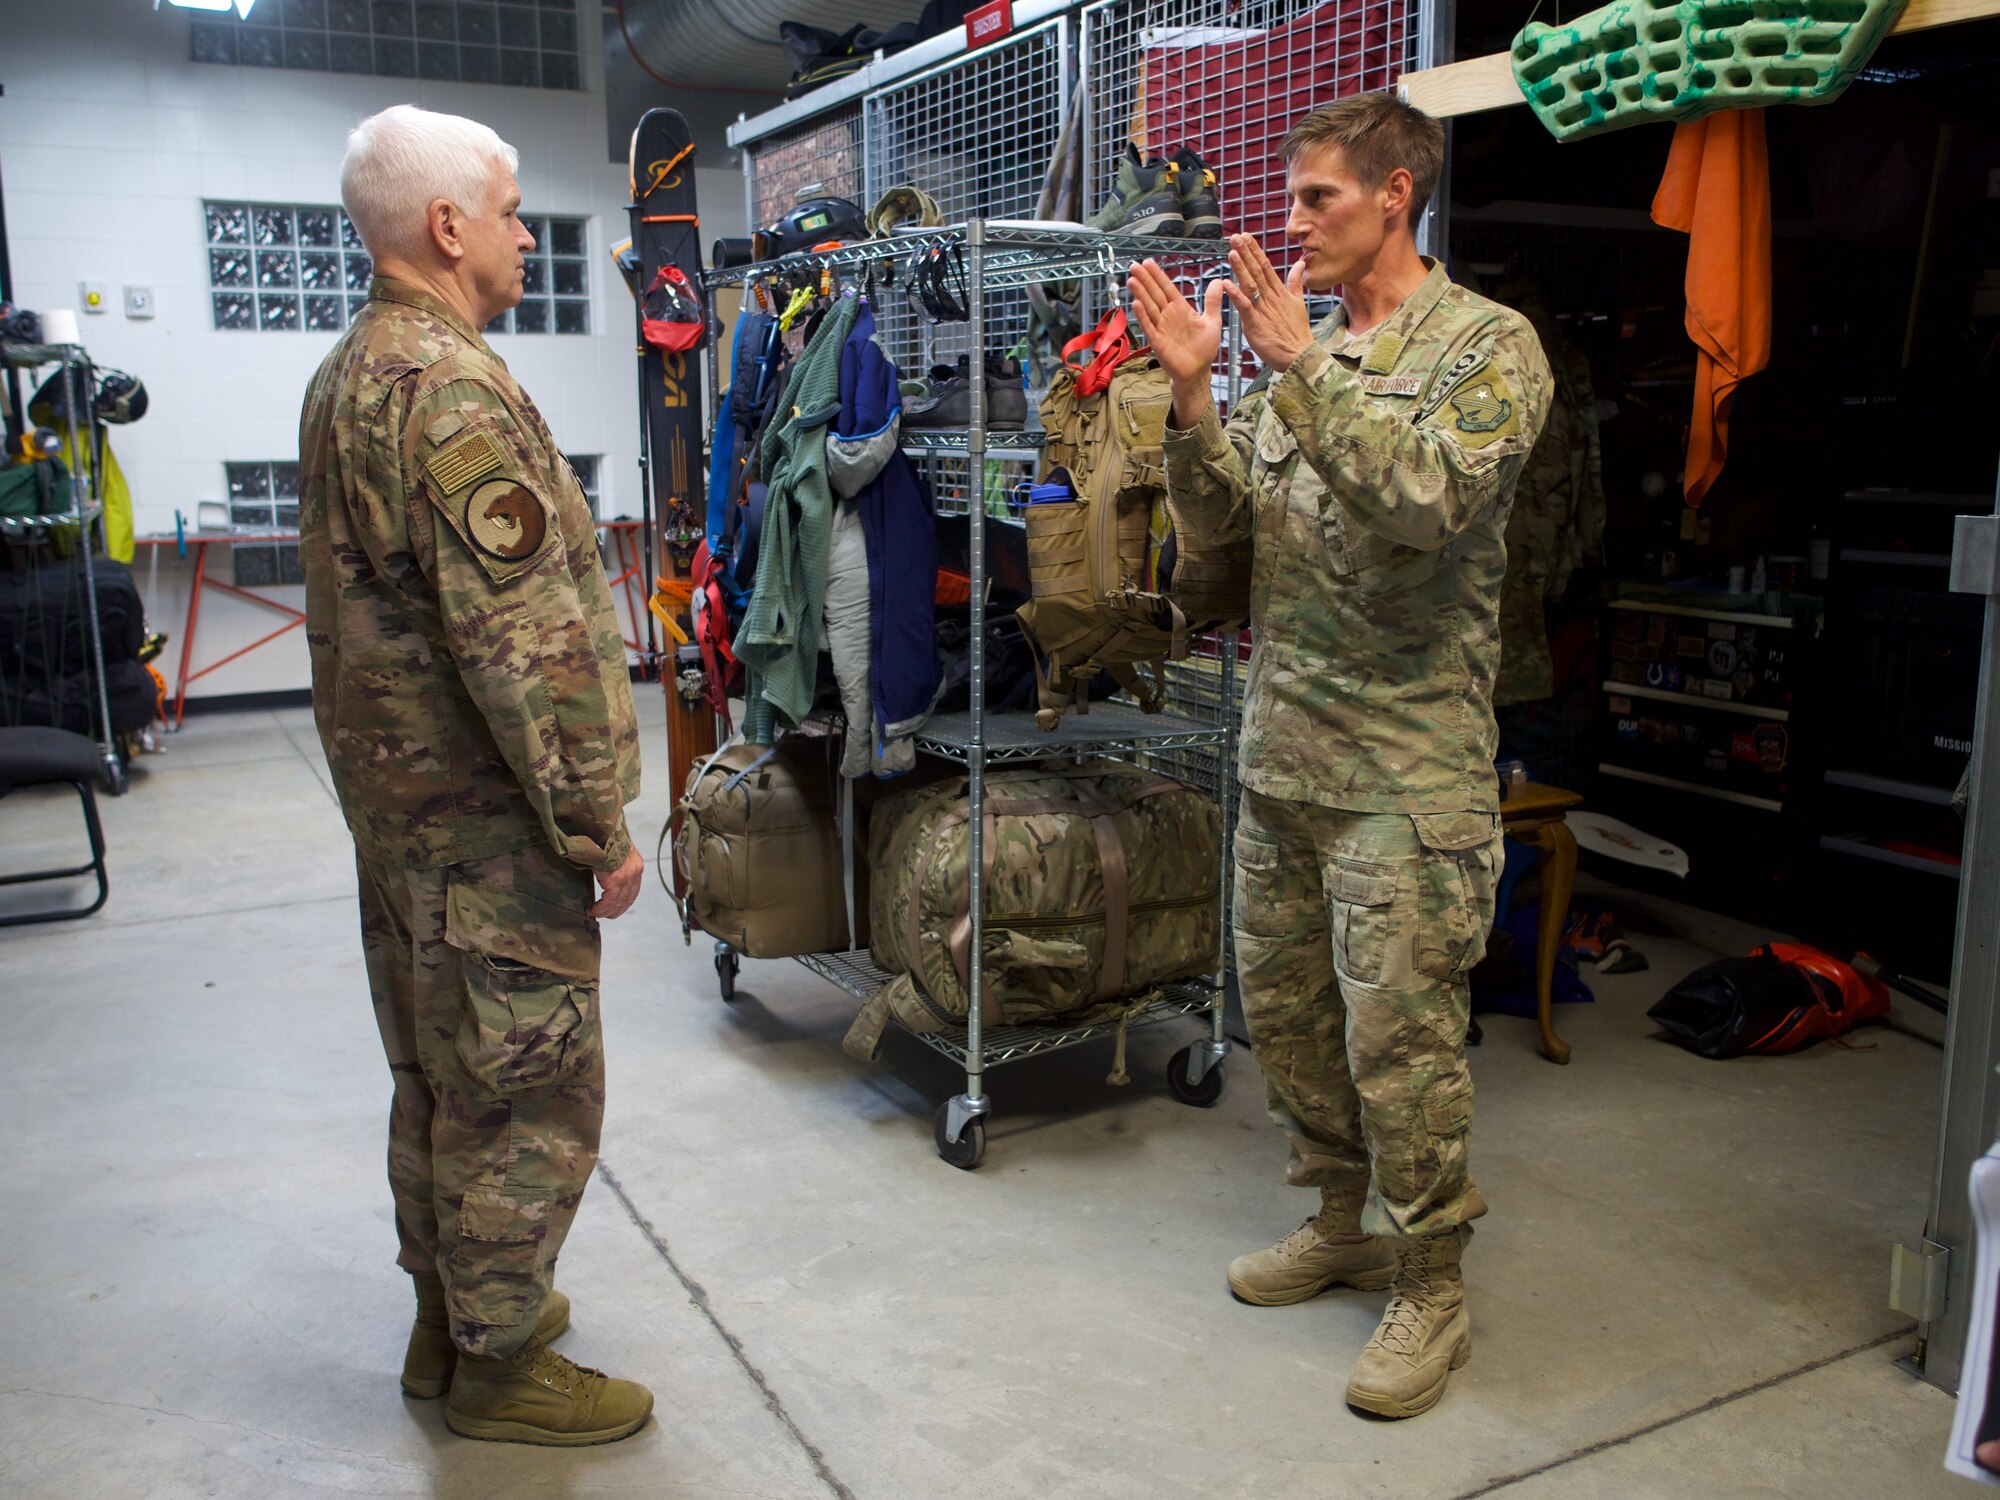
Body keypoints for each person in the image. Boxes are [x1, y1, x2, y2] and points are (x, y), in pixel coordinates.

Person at [1127, 92, 1552, 1420]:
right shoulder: (1292, 364)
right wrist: (1199, 398)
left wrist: (1297, 371)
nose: (1292, 221)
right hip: (1287, 765)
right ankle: (1340, 1220)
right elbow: (1220, 553)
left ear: (1395, 193)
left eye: (1318, 197)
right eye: (1293, 196)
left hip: (1404, 786)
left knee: (1402, 1048)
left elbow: (1428, 503)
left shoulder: (1490, 348)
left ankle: (1431, 1281)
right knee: (1299, 1033)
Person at [299, 104, 651, 1446]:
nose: (521, 235)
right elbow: (527, 644)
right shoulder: (448, 390)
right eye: (510, 211)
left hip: (403, 829)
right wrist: (595, 824)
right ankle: (503, 1364)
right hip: (487, 832)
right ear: (447, 227)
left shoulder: (352, 372)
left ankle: (451, 1323)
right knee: (522, 1087)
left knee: (438, 1072)